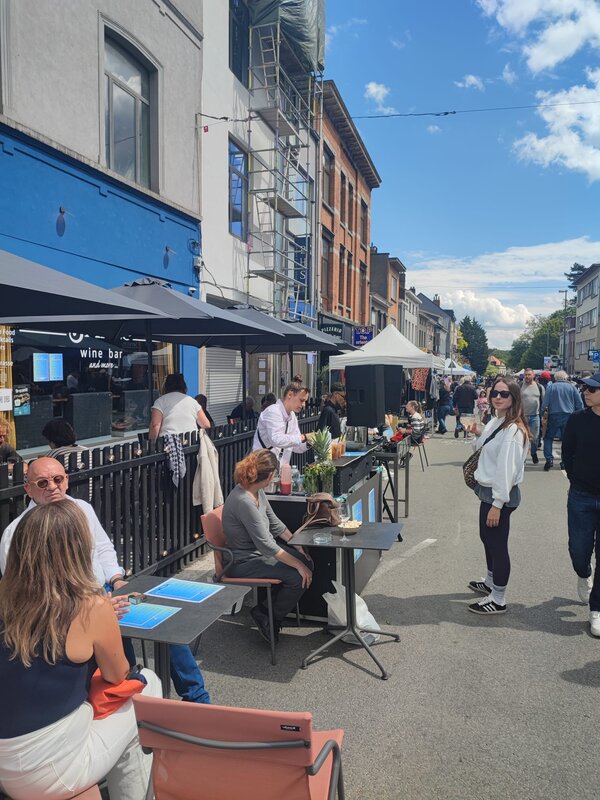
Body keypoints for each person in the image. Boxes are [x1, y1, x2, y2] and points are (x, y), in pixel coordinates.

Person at [0, 457, 211, 705]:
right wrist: (91, 609)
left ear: (66, 480)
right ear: (28, 488)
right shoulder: (18, 532)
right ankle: (133, 696)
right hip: (70, 608)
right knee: (120, 652)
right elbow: (28, 594)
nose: (52, 486)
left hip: (105, 590)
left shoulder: (82, 509)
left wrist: (117, 577)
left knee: (167, 621)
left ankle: (197, 700)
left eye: (58, 479)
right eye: (43, 482)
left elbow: (103, 548)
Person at [0, 500, 162, 799]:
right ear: (77, 548)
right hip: (51, 768)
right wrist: (101, 621)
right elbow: (118, 675)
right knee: (149, 685)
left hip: (6, 762)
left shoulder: (8, 599)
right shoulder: (91, 607)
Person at [222, 449, 313, 642]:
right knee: (297, 575)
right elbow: (267, 546)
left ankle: (268, 610)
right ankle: (267, 615)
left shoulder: (256, 490)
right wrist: (297, 564)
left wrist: (297, 546)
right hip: (241, 561)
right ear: (271, 475)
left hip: (256, 554)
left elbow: (275, 523)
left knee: (307, 561)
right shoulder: (244, 501)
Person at [465, 378, 530, 615]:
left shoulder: (513, 429)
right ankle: (491, 582)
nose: (498, 397)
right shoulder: (496, 421)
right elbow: (480, 447)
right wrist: (476, 433)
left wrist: (498, 504)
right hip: (488, 492)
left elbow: (506, 470)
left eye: (504, 394)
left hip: (498, 494)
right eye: (495, 393)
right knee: (487, 537)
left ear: (514, 398)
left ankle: (499, 598)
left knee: (497, 543)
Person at [561, 372, 600, 637]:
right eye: (585, 387)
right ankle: (583, 572)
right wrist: (576, 478)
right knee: (579, 549)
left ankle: (596, 609)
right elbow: (567, 452)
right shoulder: (577, 420)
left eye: (592, 389)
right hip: (582, 495)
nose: (585, 392)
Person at [252, 383, 313, 466]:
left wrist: (309, 442)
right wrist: (304, 437)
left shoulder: (292, 416)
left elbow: (295, 445)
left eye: (305, 401)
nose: (303, 405)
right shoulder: (272, 411)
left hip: (279, 469)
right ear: (290, 395)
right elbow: (276, 439)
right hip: (262, 468)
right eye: (301, 400)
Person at [540, 370, 583, 471]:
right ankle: (564, 461)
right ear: (566, 377)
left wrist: (543, 414)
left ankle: (549, 459)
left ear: (555, 378)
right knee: (566, 440)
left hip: (553, 415)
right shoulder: (572, 387)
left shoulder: (551, 387)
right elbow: (579, 403)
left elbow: (545, 403)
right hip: (569, 415)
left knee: (548, 437)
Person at [149, 373, 211, 441]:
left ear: (166, 387)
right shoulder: (193, 401)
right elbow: (206, 424)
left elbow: (155, 425)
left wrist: (152, 444)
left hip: (168, 445)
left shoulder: (160, 401)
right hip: (191, 443)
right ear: (184, 386)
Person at [520, 367, 544, 465]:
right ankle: (523, 457)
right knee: (522, 438)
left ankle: (533, 453)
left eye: (529, 374)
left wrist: (544, 414)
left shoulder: (539, 387)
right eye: (526, 375)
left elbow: (544, 401)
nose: (527, 376)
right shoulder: (520, 386)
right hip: (523, 416)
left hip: (535, 416)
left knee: (535, 438)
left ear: (533, 375)